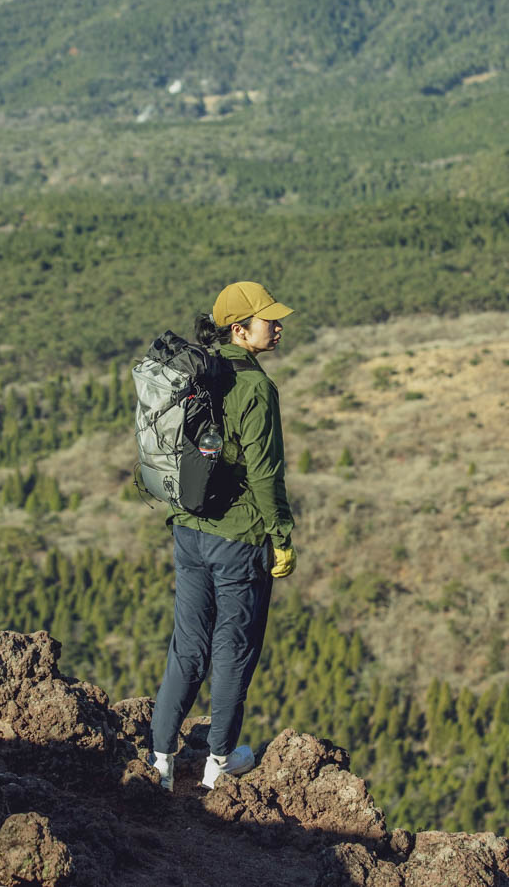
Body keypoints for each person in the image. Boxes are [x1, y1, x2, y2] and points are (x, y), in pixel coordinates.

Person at [149, 281, 297, 792]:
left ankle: (161, 760)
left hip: (189, 532)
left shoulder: (197, 372)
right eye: (268, 321)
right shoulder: (256, 388)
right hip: (239, 540)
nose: (278, 328)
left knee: (187, 646)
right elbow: (264, 473)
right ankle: (218, 765)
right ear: (240, 329)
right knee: (233, 647)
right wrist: (281, 536)